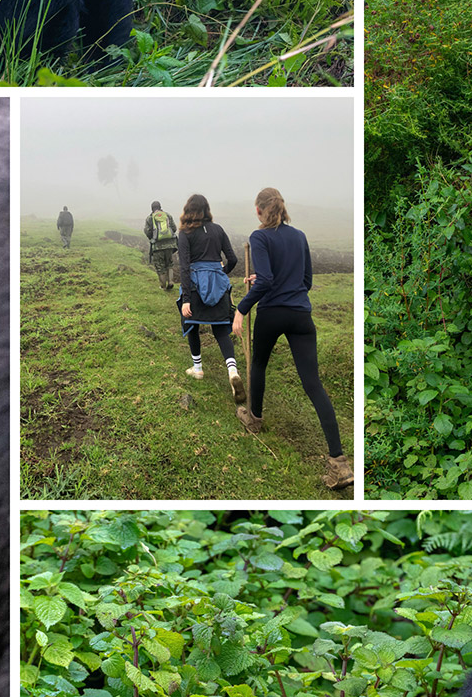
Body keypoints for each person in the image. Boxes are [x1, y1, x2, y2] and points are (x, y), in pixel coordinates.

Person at [231, 187, 354, 490]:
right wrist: (264, 281)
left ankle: (255, 419)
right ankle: (340, 463)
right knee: (313, 384)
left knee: (259, 364)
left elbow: (269, 280)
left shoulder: (259, 237)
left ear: (260, 211)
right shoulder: (298, 236)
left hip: (272, 314)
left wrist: (241, 308)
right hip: (301, 315)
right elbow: (306, 280)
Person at [176, 194, 246, 404]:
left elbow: (184, 267)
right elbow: (232, 259)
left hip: (195, 288)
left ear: (188, 210)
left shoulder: (184, 234)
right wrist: (222, 273)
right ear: (207, 210)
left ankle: (197, 368)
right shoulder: (218, 230)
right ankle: (232, 371)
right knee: (221, 329)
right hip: (218, 285)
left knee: (192, 326)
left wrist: (186, 299)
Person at [144, 200, 178, 289]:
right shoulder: (167, 216)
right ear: (160, 207)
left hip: (157, 246)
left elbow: (147, 231)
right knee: (169, 264)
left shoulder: (150, 218)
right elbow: (174, 228)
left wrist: (153, 238)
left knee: (160, 266)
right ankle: (170, 281)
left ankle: (163, 286)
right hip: (170, 245)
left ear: (152, 209)